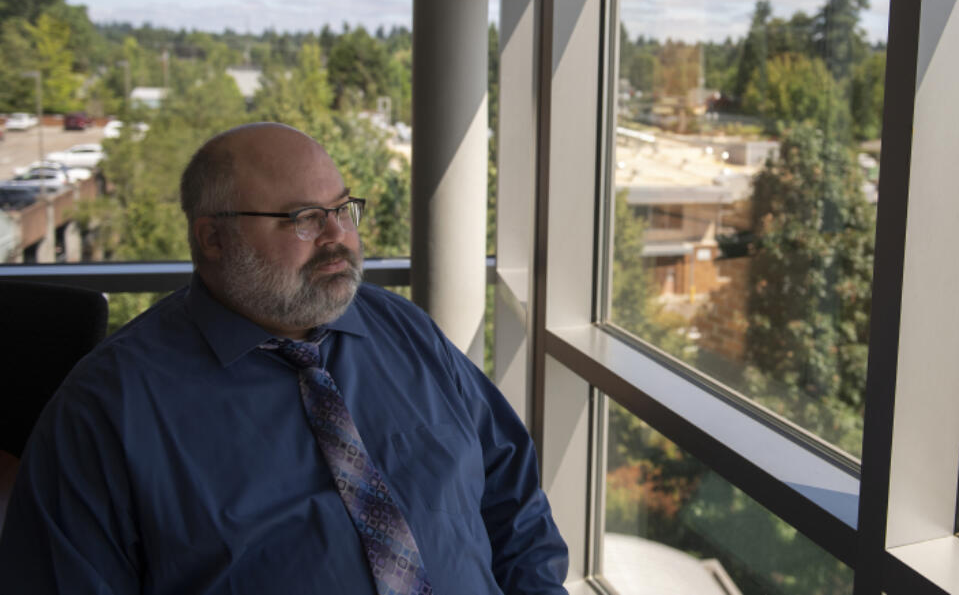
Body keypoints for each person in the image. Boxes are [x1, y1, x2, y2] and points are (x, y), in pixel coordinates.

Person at [0, 123, 569, 594]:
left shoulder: (406, 330)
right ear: (213, 240)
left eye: (343, 209)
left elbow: (512, 494)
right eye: (302, 218)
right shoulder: (104, 410)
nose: (337, 236)